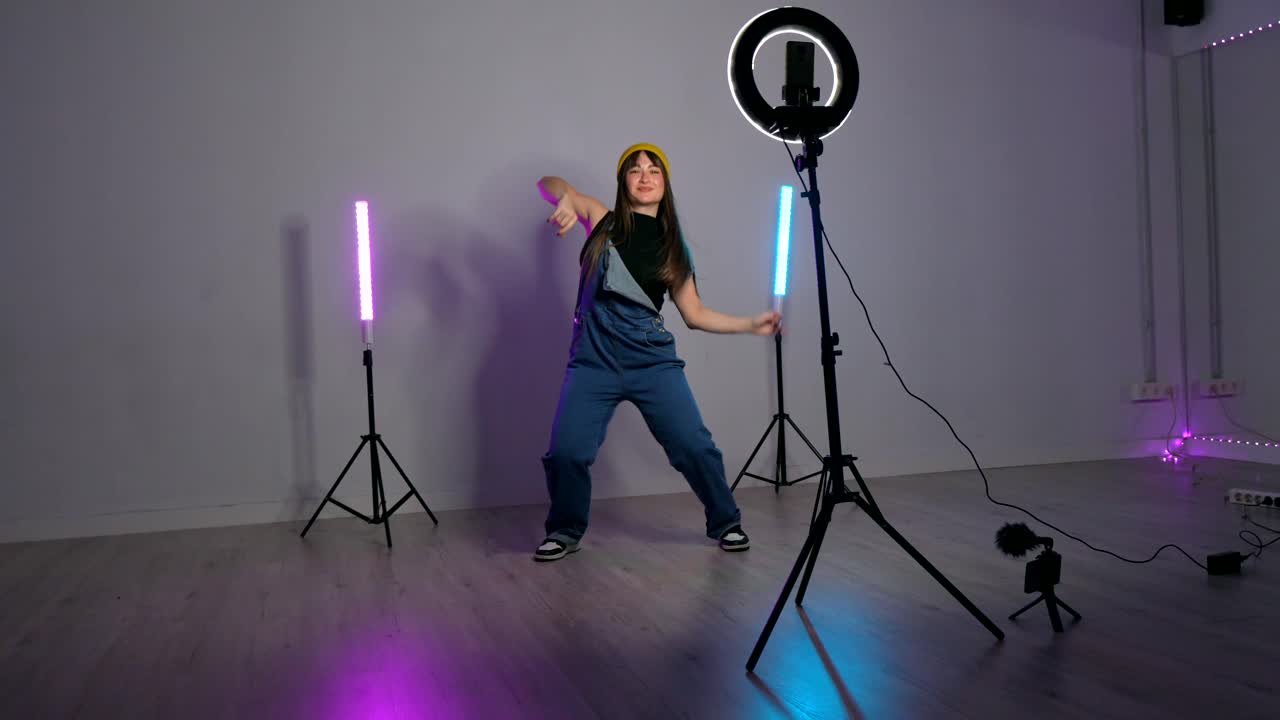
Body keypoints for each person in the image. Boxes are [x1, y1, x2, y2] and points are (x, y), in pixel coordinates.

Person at [532, 142, 781, 561]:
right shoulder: (601, 221)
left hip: (651, 361)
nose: (644, 176)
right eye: (635, 170)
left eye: (654, 170)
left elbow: (695, 314)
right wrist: (567, 200)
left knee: (694, 446)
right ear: (623, 182)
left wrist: (748, 324)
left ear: (664, 185)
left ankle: (727, 522)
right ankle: (564, 531)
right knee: (567, 452)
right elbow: (547, 183)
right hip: (593, 361)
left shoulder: (673, 249)